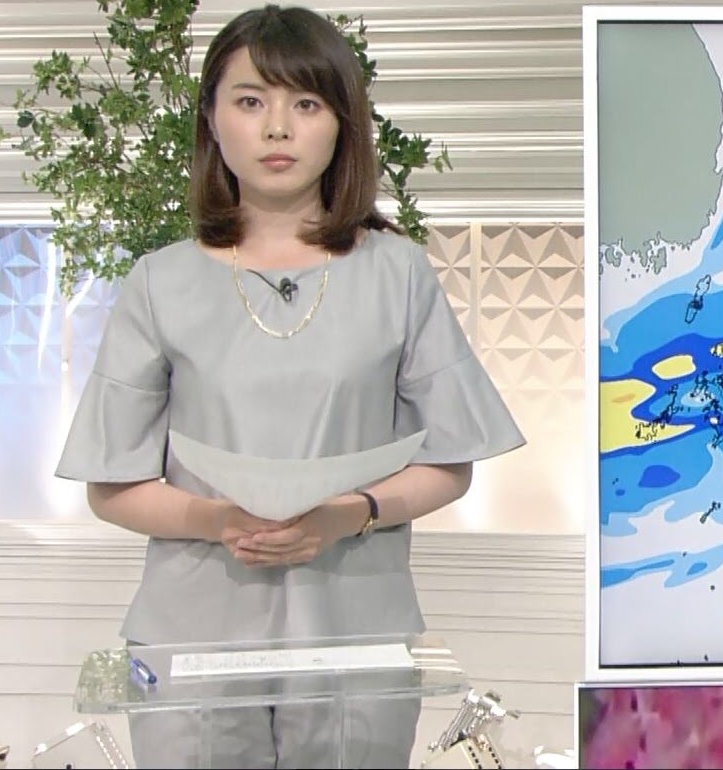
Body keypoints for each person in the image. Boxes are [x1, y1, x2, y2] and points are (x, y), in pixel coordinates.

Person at [54, 4, 525, 768]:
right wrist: (217, 519)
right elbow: (111, 483)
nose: (277, 129)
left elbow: (451, 461)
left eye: (305, 104)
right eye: (250, 101)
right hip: (191, 641)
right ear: (212, 121)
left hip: (356, 633)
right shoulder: (159, 282)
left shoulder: (398, 273)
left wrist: (348, 514)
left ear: (342, 124)